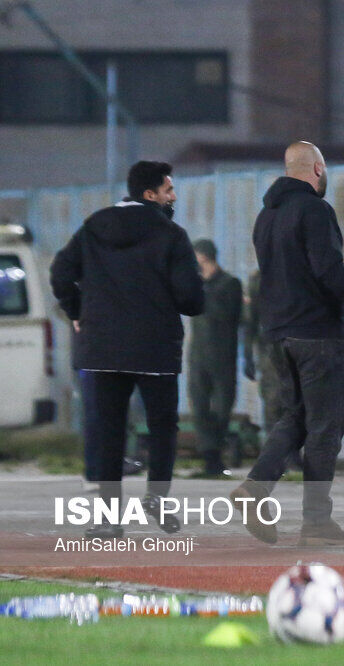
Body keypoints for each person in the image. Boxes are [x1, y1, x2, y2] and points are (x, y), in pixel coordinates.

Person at [230, 141, 344, 547]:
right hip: (315, 338)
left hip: (279, 334)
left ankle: (254, 489)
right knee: (326, 426)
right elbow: (328, 269)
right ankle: (316, 523)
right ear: (318, 169)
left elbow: (290, 278)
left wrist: (337, 311)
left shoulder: (266, 216)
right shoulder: (314, 210)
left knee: (297, 417)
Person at [50, 160, 204, 538]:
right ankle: (157, 498)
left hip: (102, 348)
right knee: (163, 427)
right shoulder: (172, 234)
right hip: (155, 348)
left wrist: (77, 312)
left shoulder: (94, 226)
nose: (173, 196)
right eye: (168, 190)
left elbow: (60, 272)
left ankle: (108, 520)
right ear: (150, 194)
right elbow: (191, 299)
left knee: (109, 432)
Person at [187, 238, 242, 478]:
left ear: (204, 256)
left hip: (222, 355)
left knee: (221, 408)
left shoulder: (229, 284)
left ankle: (216, 453)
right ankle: (209, 457)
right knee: (199, 407)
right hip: (198, 356)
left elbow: (229, 314)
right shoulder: (195, 284)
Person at [243, 270, 282, 436]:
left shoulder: (303, 273)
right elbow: (249, 321)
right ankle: (275, 446)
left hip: (300, 349)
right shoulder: (258, 279)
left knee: (296, 402)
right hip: (270, 350)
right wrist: (247, 356)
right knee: (273, 401)